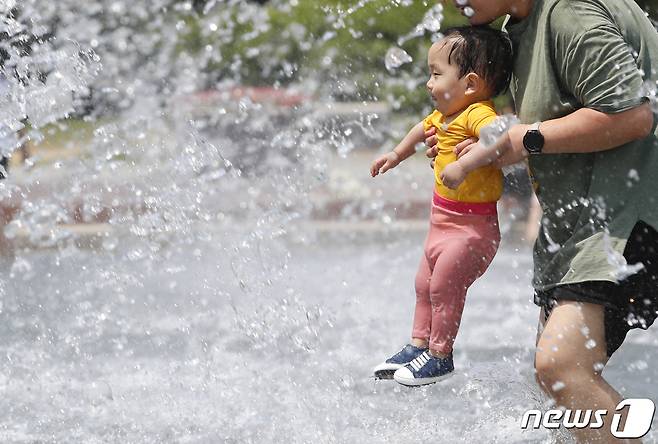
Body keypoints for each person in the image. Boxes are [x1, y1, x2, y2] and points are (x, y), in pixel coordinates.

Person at [425, 1, 658, 442]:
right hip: (589, 221)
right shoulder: (522, 26)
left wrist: (523, 138)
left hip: (632, 214)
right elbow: (556, 120)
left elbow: (632, 116)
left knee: (563, 367)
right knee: (563, 382)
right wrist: (479, 142)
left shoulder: (569, 12)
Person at [369, 26, 514, 387]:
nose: (428, 84)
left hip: (472, 230)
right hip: (441, 225)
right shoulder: (445, 116)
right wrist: (397, 154)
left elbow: (500, 135)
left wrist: (465, 164)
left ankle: (440, 355)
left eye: (436, 75)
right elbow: (421, 129)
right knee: (423, 284)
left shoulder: (477, 113)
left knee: (443, 288)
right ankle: (417, 345)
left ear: (469, 84)